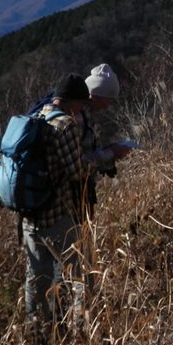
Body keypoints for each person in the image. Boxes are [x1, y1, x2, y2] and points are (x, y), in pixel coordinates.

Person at [22, 73, 91, 345]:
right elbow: (76, 172)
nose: (82, 110)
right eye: (81, 104)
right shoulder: (65, 125)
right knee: (78, 273)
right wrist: (100, 160)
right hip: (56, 215)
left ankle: (36, 336)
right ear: (72, 102)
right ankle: (79, 334)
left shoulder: (34, 118)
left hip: (29, 216)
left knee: (36, 276)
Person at [71, 63, 132, 224]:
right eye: (108, 101)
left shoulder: (84, 114)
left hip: (77, 194)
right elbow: (77, 163)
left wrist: (108, 154)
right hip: (70, 198)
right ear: (96, 96)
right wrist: (112, 153)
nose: (107, 106)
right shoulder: (77, 117)